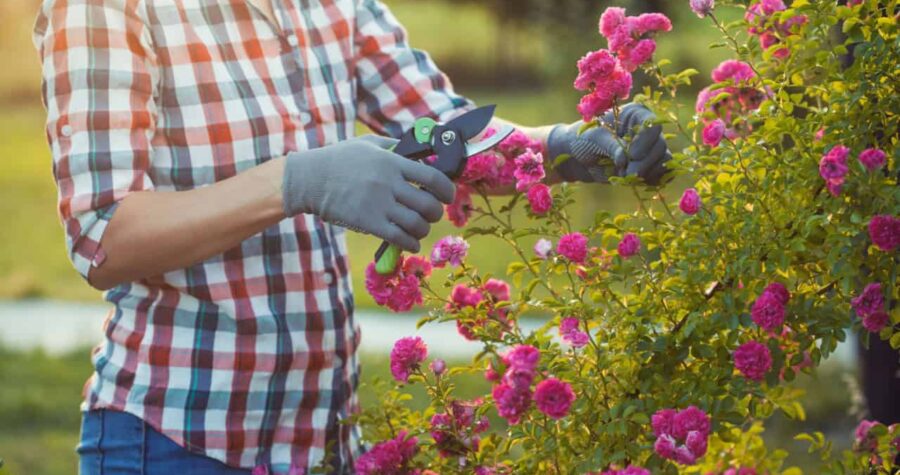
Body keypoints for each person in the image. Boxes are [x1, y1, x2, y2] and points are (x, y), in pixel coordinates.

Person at [32, 0, 669, 473]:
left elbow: (443, 130)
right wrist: (294, 182)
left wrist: (561, 147)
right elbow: (104, 236)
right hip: (177, 442)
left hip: (324, 443)